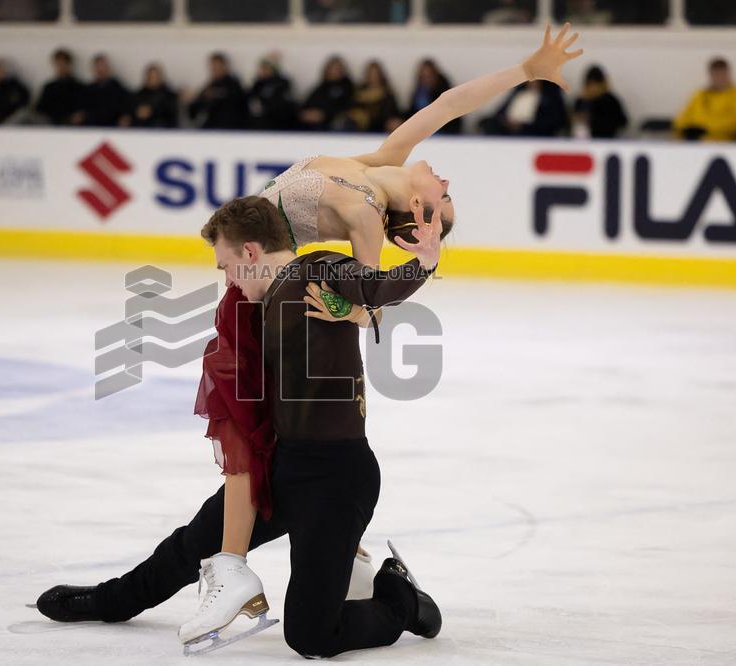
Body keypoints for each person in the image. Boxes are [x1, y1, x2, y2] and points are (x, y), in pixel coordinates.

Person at [38, 22, 583, 655]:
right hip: (256, 291)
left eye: (445, 206)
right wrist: (526, 70)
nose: (449, 187)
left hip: (259, 310)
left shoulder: (365, 215)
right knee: (226, 493)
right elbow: (444, 105)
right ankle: (122, 597)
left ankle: (240, 571)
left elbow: (368, 293)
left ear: (419, 218)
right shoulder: (381, 166)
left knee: (242, 455)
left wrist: (361, 307)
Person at [37, 195, 444, 659]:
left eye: (225, 265)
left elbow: (374, 288)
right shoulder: (261, 305)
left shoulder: (315, 270)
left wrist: (421, 263)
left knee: (312, 637)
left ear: (250, 252)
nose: (226, 279)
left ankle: (400, 597)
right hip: (282, 466)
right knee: (194, 544)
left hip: (337, 480)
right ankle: (112, 601)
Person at [674, 57, 736, 142]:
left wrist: (707, 128)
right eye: (715, 74)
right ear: (710, 74)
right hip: (694, 140)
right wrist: (686, 128)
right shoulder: (699, 94)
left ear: (728, 74)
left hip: (723, 143)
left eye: (722, 74)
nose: (719, 78)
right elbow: (682, 117)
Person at [478, 79, 569, 137]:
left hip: (532, 130)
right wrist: (506, 121)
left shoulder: (550, 95)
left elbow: (555, 119)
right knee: (488, 123)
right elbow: (500, 111)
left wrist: (522, 125)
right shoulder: (519, 91)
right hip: (508, 127)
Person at [187, 52, 248, 130]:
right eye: (213, 67)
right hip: (212, 131)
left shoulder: (234, 85)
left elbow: (239, 105)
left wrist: (216, 95)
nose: (215, 69)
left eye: (217, 66)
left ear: (224, 66)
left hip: (232, 130)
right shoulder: (209, 87)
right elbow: (193, 112)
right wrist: (192, 100)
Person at [299, 55, 354, 131]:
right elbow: (307, 104)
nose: (334, 71)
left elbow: (346, 107)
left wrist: (323, 115)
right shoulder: (321, 87)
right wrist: (306, 114)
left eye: (337, 68)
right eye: (332, 69)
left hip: (332, 124)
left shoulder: (347, 87)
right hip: (313, 124)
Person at [572, 64, 627, 139]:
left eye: (596, 84)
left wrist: (594, 120)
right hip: (583, 140)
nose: (593, 88)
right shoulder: (580, 101)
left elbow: (622, 121)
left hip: (606, 140)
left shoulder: (610, 100)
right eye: (591, 84)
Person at [76, 54, 131, 127]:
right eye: (98, 67)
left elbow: (127, 107)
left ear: (108, 68)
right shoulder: (87, 90)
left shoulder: (118, 89)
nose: (101, 70)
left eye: (103, 67)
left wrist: (126, 117)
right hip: (91, 129)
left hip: (113, 129)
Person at [408, 58, 461, 135]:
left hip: (443, 131)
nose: (426, 79)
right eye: (423, 76)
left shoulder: (443, 90)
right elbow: (412, 111)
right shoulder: (419, 91)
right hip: (421, 131)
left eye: (429, 76)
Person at [348, 60, 402, 133]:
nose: (373, 77)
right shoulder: (359, 92)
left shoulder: (387, 92)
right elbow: (352, 107)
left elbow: (391, 111)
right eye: (371, 74)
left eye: (375, 74)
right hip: (362, 126)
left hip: (381, 124)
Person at [34, 48, 85, 126]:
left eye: (63, 64)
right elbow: (39, 109)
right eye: (58, 64)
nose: (60, 67)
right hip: (48, 122)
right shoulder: (49, 87)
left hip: (69, 123)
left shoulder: (79, 87)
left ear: (69, 65)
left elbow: (81, 110)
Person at [247, 55, 297, 131]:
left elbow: (282, 103)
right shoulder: (258, 84)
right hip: (260, 121)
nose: (264, 71)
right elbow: (252, 99)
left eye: (267, 68)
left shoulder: (282, 83)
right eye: (263, 68)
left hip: (278, 121)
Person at [127, 63, 178, 128]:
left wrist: (152, 111)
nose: (153, 80)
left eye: (155, 77)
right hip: (142, 131)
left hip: (164, 132)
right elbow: (131, 112)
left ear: (160, 77)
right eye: (150, 77)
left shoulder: (169, 96)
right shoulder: (138, 95)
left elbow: (171, 114)